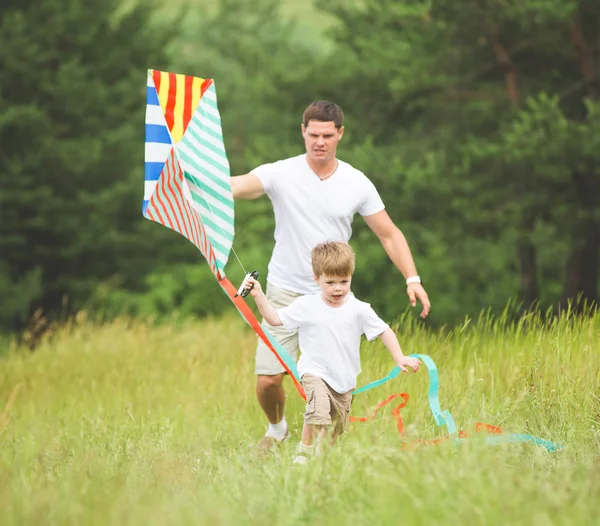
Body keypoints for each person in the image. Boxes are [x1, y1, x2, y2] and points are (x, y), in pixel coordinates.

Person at [231, 100, 430, 451]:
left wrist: (412, 278)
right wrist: (197, 180)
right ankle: (277, 428)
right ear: (303, 133)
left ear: (340, 134)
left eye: (326, 135)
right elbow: (240, 186)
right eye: (312, 134)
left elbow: (389, 233)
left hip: (333, 297)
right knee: (267, 380)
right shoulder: (282, 172)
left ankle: (322, 449)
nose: (319, 141)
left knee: (334, 385)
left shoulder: (356, 182)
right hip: (285, 292)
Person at [243, 241, 421, 464]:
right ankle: (304, 452)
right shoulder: (306, 305)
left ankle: (320, 462)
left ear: (351, 278)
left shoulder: (359, 308)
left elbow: (384, 330)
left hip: (344, 378)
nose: (338, 288)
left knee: (335, 428)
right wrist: (259, 295)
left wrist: (400, 357)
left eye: (344, 282)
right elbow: (275, 319)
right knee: (318, 409)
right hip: (314, 371)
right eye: (330, 282)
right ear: (316, 279)